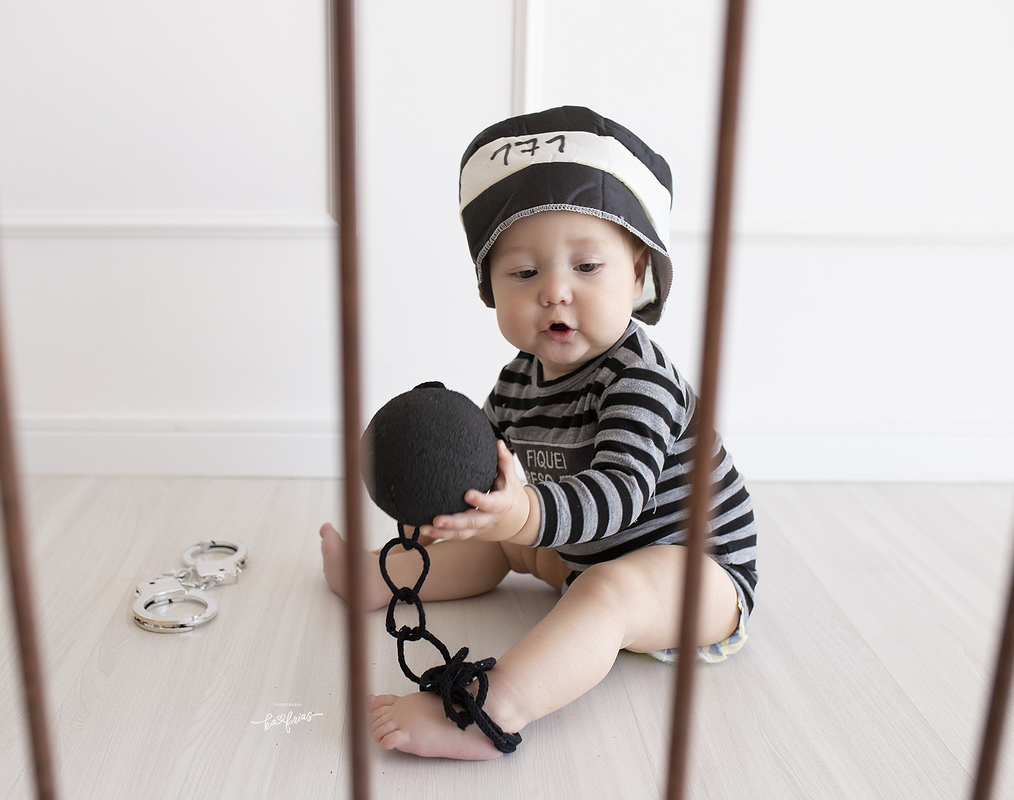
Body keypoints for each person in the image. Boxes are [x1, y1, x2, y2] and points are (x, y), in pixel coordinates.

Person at [320, 106, 758, 760]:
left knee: (608, 589)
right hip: (584, 554)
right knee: (497, 536)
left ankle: (492, 710)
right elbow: (491, 478)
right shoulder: (517, 381)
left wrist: (524, 513)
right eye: (525, 273)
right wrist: (456, 511)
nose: (555, 291)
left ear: (638, 273)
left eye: (588, 267)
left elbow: (620, 497)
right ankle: (382, 576)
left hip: (695, 571)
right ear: (491, 288)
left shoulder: (640, 378)